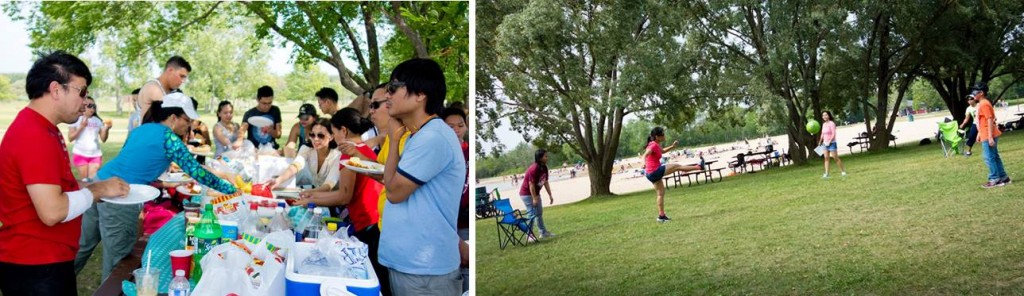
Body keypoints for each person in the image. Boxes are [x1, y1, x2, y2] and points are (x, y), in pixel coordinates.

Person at [0, 51, 129, 296]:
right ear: (56, 89)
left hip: (46, 261)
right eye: (81, 91)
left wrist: (90, 185)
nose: (85, 101)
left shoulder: (46, 129)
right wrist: (98, 189)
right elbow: (52, 211)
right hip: (35, 266)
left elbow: (53, 185)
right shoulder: (33, 133)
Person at [74, 92, 237, 280]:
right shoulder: (170, 139)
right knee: (116, 263)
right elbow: (198, 173)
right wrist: (230, 191)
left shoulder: (142, 129)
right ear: (174, 117)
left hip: (98, 183)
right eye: (187, 120)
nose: (189, 125)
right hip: (119, 197)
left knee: (83, 247)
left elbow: (133, 162)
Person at [378, 58, 464, 295]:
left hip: (425, 269)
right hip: (412, 264)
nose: (388, 95)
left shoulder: (432, 138)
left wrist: (394, 141)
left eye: (394, 87)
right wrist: (394, 139)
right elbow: (392, 182)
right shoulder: (420, 136)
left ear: (420, 94)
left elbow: (394, 192)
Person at [298, 108, 388, 294]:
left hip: (367, 222)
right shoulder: (365, 149)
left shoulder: (349, 154)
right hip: (377, 218)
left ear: (344, 131)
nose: (334, 136)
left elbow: (344, 195)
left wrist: (311, 199)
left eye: (334, 131)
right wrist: (312, 196)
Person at [440, 107, 470, 292]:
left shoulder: (468, 151)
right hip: (444, 222)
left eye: (460, 125)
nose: (456, 130)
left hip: (464, 222)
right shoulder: (439, 154)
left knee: (466, 264)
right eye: (450, 127)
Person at [644, 127, 701, 222]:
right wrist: (643, 162)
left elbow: (662, 151)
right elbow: (645, 155)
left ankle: (661, 216)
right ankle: (699, 167)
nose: (664, 136)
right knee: (677, 166)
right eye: (663, 134)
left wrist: (672, 146)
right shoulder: (653, 145)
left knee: (660, 194)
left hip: (650, 174)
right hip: (654, 171)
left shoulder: (655, 144)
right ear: (657, 137)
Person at [268, 118, 341, 191]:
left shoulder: (337, 155)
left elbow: (329, 184)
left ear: (331, 137)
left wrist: (306, 193)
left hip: (332, 197)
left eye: (320, 135)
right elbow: (295, 166)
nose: (315, 139)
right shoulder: (306, 149)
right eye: (312, 135)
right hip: (314, 194)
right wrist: (278, 180)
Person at [130, 56, 191, 133]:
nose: (183, 81)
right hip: (149, 141)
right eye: (181, 76)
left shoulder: (169, 92)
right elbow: (168, 124)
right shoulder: (154, 89)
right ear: (170, 70)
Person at [973, 83, 1011, 188]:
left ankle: (994, 179)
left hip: (988, 134)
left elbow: (990, 119)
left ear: (981, 93)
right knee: (994, 156)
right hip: (986, 132)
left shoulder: (984, 103)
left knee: (989, 157)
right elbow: (983, 120)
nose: (973, 93)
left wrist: (989, 136)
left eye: (975, 91)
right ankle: (1003, 177)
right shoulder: (983, 103)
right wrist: (979, 133)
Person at [68, 96, 112, 183]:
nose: (92, 108)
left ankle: (93, 196)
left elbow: (103, 139)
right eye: (89, 106)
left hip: (95, 155)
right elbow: (70, 138)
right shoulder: (76, 119)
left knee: (92, 181)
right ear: (83, 105)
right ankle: (84, 196)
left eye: (94, 106)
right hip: (80, 154)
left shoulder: (98, 121)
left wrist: (106, 129)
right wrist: (81, 127)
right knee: (84, 181)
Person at [519, 149, 555, 240]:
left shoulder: (544, 168)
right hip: (527, 194)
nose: (547, 158)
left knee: (539, 213)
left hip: (536, 193)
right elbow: (531, 185)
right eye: (545, 156)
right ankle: (529, 235)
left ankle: (543, 233)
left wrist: (550, 195)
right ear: (540, 158)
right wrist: (534, 198)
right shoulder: (533, 169)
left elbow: (545, 182)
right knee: (531, 214)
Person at [240, 86, 282, 150]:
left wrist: (271, 131)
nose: (267, 106)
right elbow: (242, 130)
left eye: (270, 103)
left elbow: (278, 135)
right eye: (264, 103)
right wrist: (239, 140)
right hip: (254, 150)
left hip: (271, 149)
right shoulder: (249, 113)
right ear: (257, 100)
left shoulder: (275, 110)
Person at [818, 111, 847, 178]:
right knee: (826, 158)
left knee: (835, 158)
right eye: (823, 115)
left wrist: (829, 141)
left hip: (832, 143)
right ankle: (826, 174)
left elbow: (833, 134)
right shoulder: (824, 124)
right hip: (825, 144)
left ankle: (843, 172)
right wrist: (820, 141)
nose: (824, 116)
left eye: (826, 115)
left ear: (829, 116)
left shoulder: (832, 123)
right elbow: (822, 134)